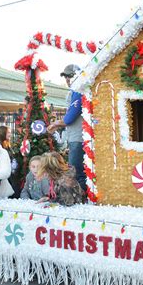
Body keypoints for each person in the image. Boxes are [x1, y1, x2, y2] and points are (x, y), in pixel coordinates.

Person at [48, 64, 87, 192]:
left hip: (78, 137)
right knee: (78, 171)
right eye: (66, 77)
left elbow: (70, 117)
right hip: (76, 136)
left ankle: (81, 199)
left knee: (76, 171)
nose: (67, 80)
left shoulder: (78, 90)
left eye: (69, 76)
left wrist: (55, 124)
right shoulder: (76, 90)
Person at [0, 126, 20, 198]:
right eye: (8, 132)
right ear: (3, 133)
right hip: (6, 174)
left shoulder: (7, 143)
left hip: (11, 173)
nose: (10, 134)